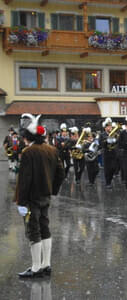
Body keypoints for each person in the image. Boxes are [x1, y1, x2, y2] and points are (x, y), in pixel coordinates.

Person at [15, 113, 65, 278]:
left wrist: (21, 202)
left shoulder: (28, 153)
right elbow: (60, 173)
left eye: (25, 138)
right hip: (45, 196)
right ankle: (46, 264)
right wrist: (52, 189)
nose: (23, 140)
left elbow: (24, 180)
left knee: (33, 231)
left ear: (29, 138)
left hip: (31, 199)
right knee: (45, 228)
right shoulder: (52, 150)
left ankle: (36, 268)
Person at [100, 118, 119, 189]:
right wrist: (106, 141)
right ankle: (108, 183)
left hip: (113, 153)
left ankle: (110, 179)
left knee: (113, 168)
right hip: (106, 153)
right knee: (107, 169)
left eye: (110, 126)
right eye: (108, 126)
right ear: (105, 128)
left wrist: (115, 140)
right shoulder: (102, 134)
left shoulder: (114, 133)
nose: (110, 127)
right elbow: (100, 144)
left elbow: (117, 142)